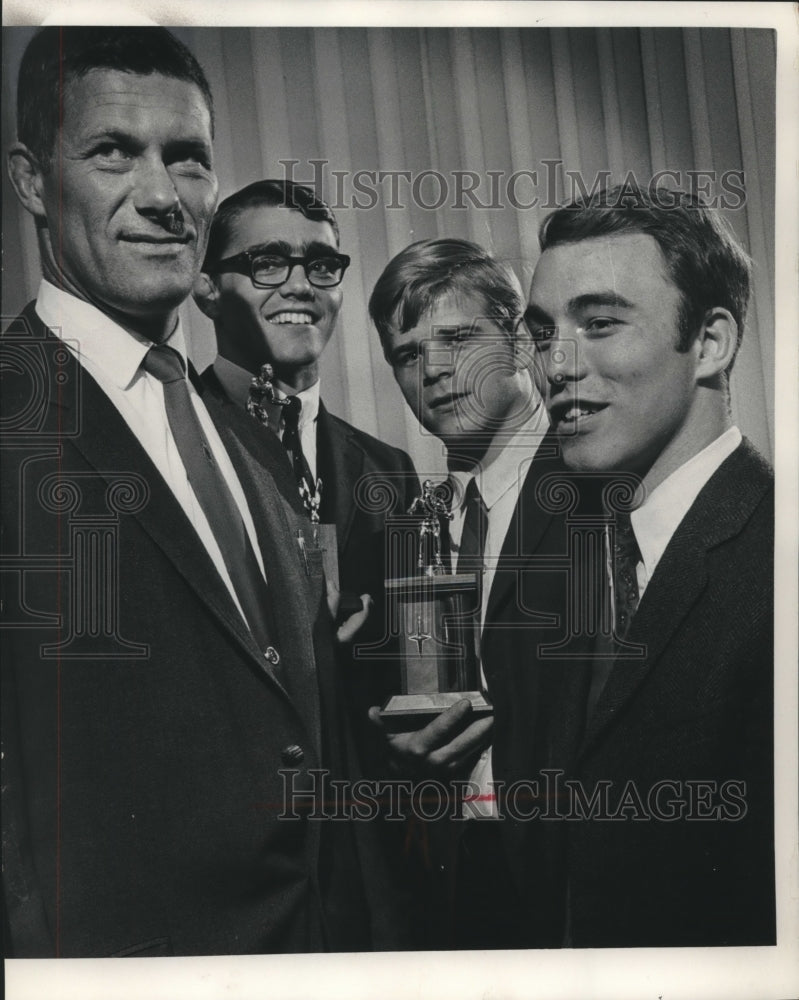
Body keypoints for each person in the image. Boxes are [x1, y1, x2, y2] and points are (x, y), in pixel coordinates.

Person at [1, 26, 398, 957]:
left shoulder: (246, 427)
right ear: (29, 181)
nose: (161, 196)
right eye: (112, 152)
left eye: (187, 159)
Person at [524, 182, 775, 946]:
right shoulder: (591, 558)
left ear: (710, 343)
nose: (555, 366)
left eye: (599, 323)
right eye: (540, 334)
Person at [368, 237, 569, 949]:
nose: (435, 370)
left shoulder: (599, 488)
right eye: (407, 354)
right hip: (454, 889)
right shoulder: (411, 523)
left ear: (517, 342)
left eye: (457, 337)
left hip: (578, 884)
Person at [193, 179, 419, 766]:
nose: (300, 284)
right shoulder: (171, 439)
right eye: (267, 263)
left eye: (321, 264)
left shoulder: (389, 470)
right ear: (207, 287)